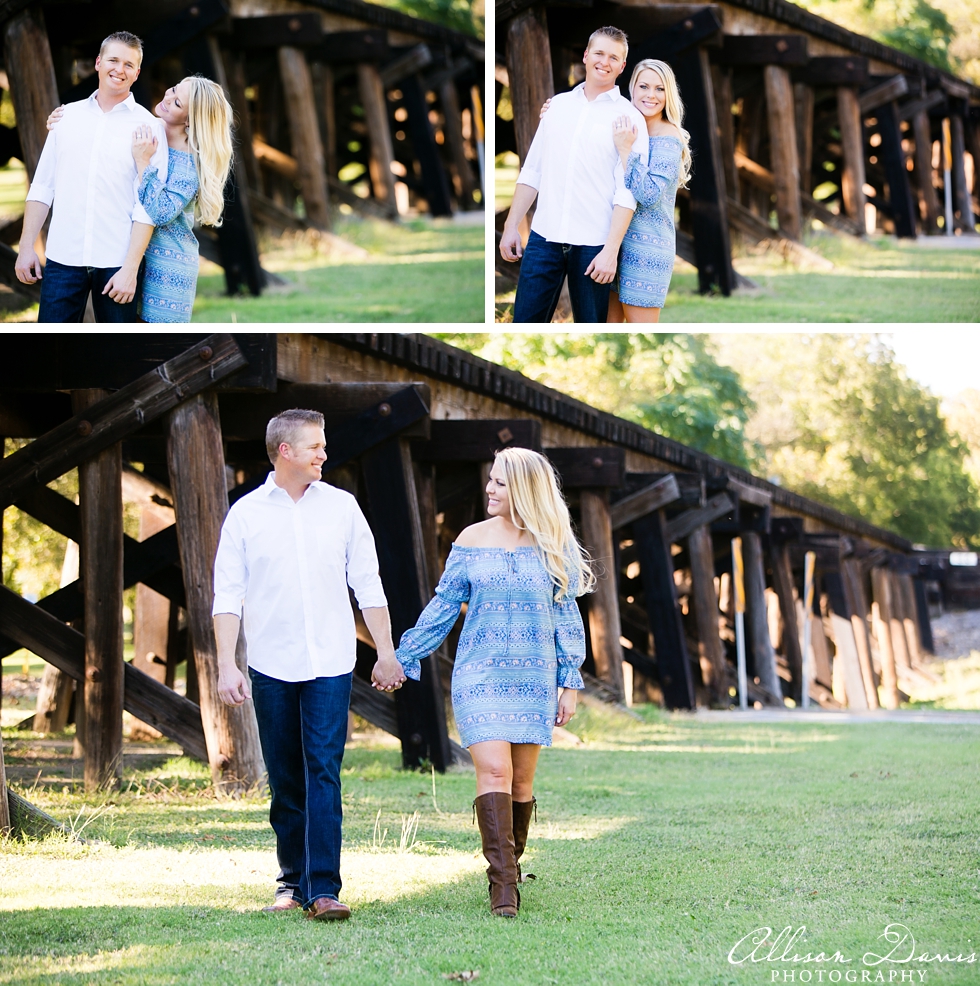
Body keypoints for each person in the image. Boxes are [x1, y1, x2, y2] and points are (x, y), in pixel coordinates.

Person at [372, 447, 592, 917]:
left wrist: (568, 681)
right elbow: (444, 606)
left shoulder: (553, 543)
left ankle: (511, 869)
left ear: (526, 489)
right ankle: (504, 888)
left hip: (533, 673)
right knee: (494, 771)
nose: (489, 489)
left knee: (522, 782)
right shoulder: (471, 539)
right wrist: (401, 657)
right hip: (480, 673)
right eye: (490, 479)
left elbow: (566, 617)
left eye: (500, 482)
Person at [212, 409, 404, 922]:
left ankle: (324, 889)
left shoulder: (342, 508)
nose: (324, 454)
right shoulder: (246, 514)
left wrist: (386, 651)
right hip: (270, 663)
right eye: (315, 446)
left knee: (324, 771)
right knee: (285, 776)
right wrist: (227, 665)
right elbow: (226, 595)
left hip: (331, 661)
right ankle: (290, 882)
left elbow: (369, 582)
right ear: (284, 451)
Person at [47, 75, 233, 322]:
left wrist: (144, 162)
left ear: (190, 120)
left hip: (167, 267)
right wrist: (64, 121)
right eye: (173, 89)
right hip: (132, 257)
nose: (168, 98)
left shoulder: (189, 161)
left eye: (178, 103)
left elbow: (161, 211)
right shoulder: (149, 127)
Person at [497, 26, 647, 323]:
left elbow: (627, 191)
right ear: (586, 55)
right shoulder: (557, 107)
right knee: (524, 323)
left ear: (622, 66)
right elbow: (533, 169)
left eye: (613, 57)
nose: (604, 62)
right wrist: (511, 225)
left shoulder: (630, 118)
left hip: (594, 245)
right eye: (599, 53)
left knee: (592, 328)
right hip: (543, 238)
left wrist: (610, 251)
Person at [15, 31, 168, 321]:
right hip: (62, 258)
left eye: (128, 64)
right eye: (113, 60)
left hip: (117, 264)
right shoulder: (65, 118)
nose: (119, 70)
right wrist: (25, 248)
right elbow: (42, 187)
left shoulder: (149, 127)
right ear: (98, 62)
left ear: (136, 72)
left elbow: (147, 206)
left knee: (116, 355)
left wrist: (131, 269)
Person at [541, 58, 692, 323]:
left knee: (639, 331)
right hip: (613, 245)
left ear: (668, 94)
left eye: (659, 89)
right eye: (644, 86)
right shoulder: (623, 122)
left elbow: (649, 195)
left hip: (647, 249)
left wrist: (626, 150)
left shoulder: (669, 138)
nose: (651, 95)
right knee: (607, 326)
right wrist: (557, 114)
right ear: (632, 87)